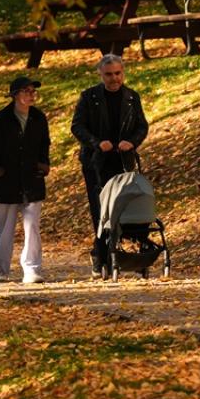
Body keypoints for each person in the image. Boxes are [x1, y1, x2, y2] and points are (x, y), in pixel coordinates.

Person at [71, 54, 149, 280]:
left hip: (123, 162)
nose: (114, 78)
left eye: (118, 73)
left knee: (127, 209)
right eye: (109, 74)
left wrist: (132, 142)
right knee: (101, 211)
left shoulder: (132, 98)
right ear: (101, 75)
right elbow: (77, 126)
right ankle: (101, 255)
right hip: (97, 163)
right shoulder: (89, 97)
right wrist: (97, 143)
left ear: (123, 73)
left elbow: (142, 127)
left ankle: (126, 254)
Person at [0, 76, 51, 283]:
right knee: (3, 228)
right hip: (6, 181)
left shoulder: (38, 117)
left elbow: (44, 144)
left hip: (32, 179)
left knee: (32, 226)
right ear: (15, 95)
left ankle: (32, 268)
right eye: (26, 91)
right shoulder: (0, 119)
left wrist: (43, 164)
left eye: (32, 91)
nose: (31, 95)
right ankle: (1, 268)